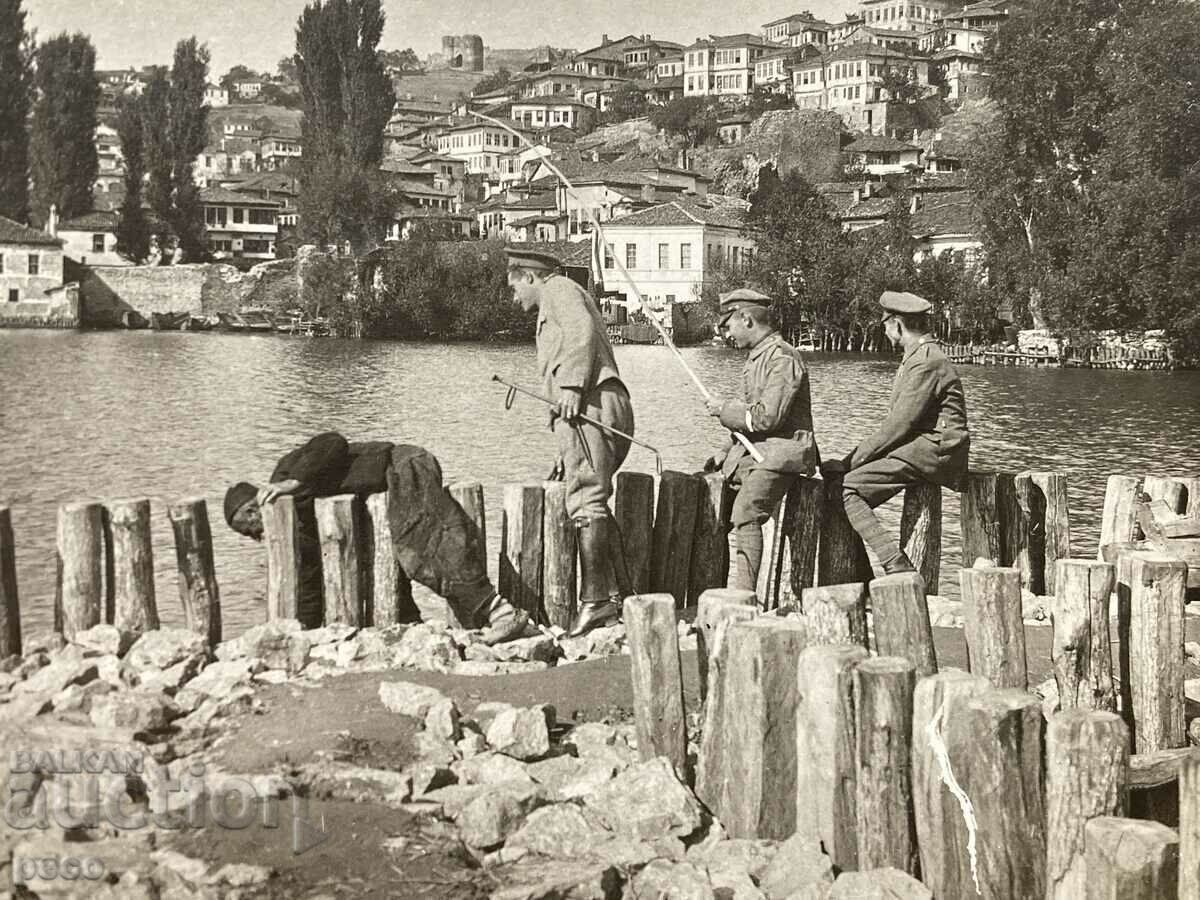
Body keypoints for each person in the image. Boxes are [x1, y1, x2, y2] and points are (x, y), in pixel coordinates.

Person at [223, 432, 530, 645]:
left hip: (405, 465)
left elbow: (333, 442)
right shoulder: (296, 527)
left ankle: (501, 612)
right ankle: (412, 627)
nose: (259, 537)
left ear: (253, 509)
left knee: (425, 545)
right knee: (394, 558)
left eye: (252, 530)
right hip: (388, 487)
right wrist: (307, 635)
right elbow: (309, 579)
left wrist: (294, 481)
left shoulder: (284, 476)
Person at [506, 246, 635, 637]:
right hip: (596, 406)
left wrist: (572, 386)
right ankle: (620, 597)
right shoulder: (559, 295)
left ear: (530, 276)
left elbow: (581, 334)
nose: (515, 299)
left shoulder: (558, 290)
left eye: (515, 288)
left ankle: (595, 603)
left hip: (591, 405)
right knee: (590, 497)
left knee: (586, 502)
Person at [826, 290, 969, 574]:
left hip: (935, 450)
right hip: (921, 446)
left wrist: (848, 462)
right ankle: (866, 575)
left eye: (885, 323)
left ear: (898, 324)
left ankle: (896, 565)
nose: (884, 329)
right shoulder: (918, 356)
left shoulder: (926, 360)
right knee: (838, 487)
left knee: (846, 489)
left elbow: (898, 425)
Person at [703, 289, 820, 592]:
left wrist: (724, 409)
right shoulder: (756, 358)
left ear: (746, 319)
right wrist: (725, 449)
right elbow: (749, 420)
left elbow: (767, 418)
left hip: (784, 452)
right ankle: (717, 589)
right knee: (709, 499)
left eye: (728, 326)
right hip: (758, 451)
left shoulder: (782, 357)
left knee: (746, 510)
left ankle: (745, 597)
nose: (726, 334)